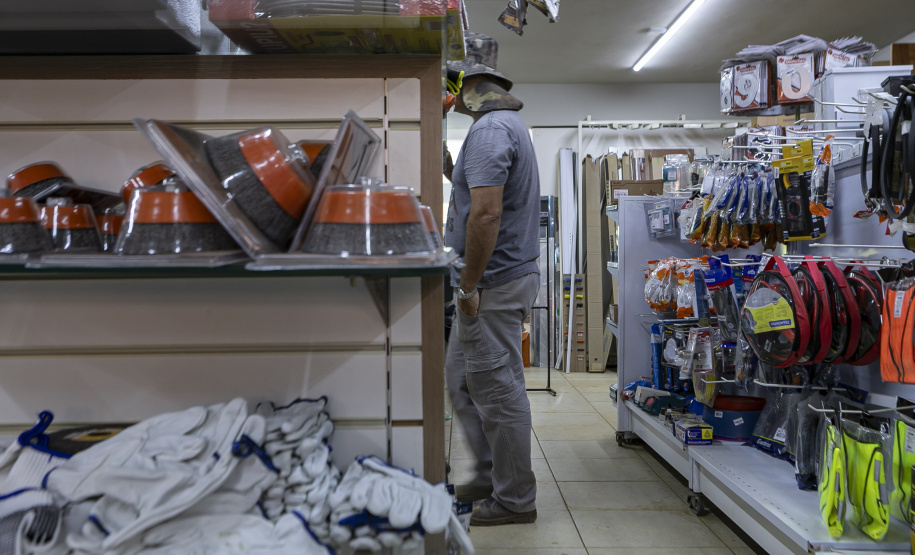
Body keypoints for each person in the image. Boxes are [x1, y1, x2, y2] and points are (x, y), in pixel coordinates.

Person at [443, 32, 541, 527]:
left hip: (491, 286)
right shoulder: (505, 125)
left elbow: (484, 216)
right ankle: (489, 475)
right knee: (463, 381)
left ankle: (515, 499)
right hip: (498, 280)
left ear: (466, 87)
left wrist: (467, 288)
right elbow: (472, 197)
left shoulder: (487, 132)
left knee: (499, 392)